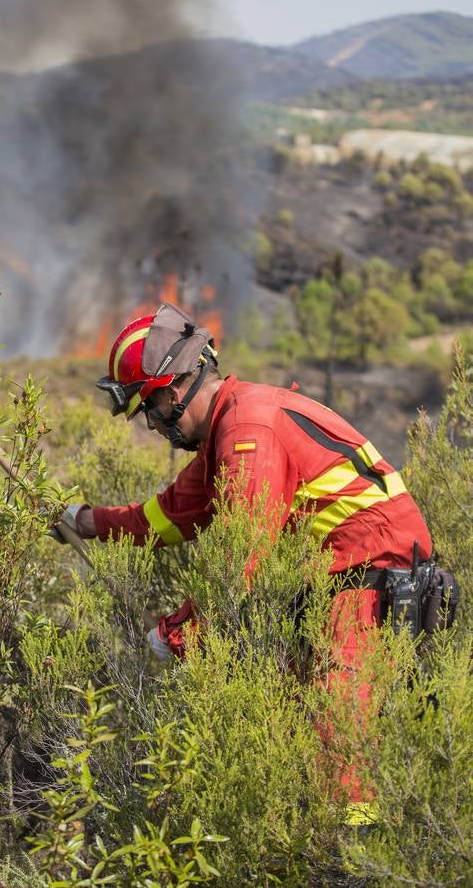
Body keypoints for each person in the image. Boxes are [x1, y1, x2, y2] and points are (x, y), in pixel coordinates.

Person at [61, 301, 433, 821]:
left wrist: (173, 635)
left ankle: (352, 860)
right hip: (343, 583)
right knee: (295, 725)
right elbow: (170, 516)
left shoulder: (248, 430)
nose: (151, 426)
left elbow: (242, 562)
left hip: (371, 583)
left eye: (149, 409)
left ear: (172, 390)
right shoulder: (228, 428)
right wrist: (86, 521)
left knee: (337, 737)